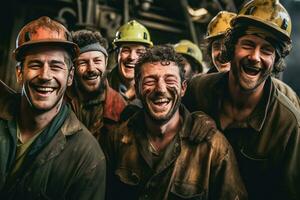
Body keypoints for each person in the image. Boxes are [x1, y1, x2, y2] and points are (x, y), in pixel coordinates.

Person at [184, 0, 300, 199]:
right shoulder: (198, 90)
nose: (255, 57)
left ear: (275, 60)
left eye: (266, 50)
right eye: (248, 44)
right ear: (231, 47)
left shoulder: (287, 124)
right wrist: (192, 119)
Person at [105, 45, 247, 200]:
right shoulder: (116, 139)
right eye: (150, 80)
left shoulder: (213, 148)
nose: (160, 89)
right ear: (137, 89)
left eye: (170, 80)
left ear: (183, 88)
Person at [0, 16, 106, 199]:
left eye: (56, 66)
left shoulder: (87, 156)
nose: (45, 76)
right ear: (19, 72)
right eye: (35, 64)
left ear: (70, 76)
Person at [204, 10, 300, 108]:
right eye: (216, 46)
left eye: (226, 44)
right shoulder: (199, 88)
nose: (223, 51)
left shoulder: (285, 95)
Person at [66, 29, 126, 144]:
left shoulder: (120, 107)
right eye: (83, 62)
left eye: (97, 61)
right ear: (73, 67)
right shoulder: (61, 102)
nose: (91, 69)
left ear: (106, 62)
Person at [107, 20, 153, 102]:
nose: (132, 57)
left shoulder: (153, 89)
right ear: (116, 55)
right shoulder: (102, 85)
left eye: (139, 52)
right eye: (126, 50)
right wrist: (127, 96)